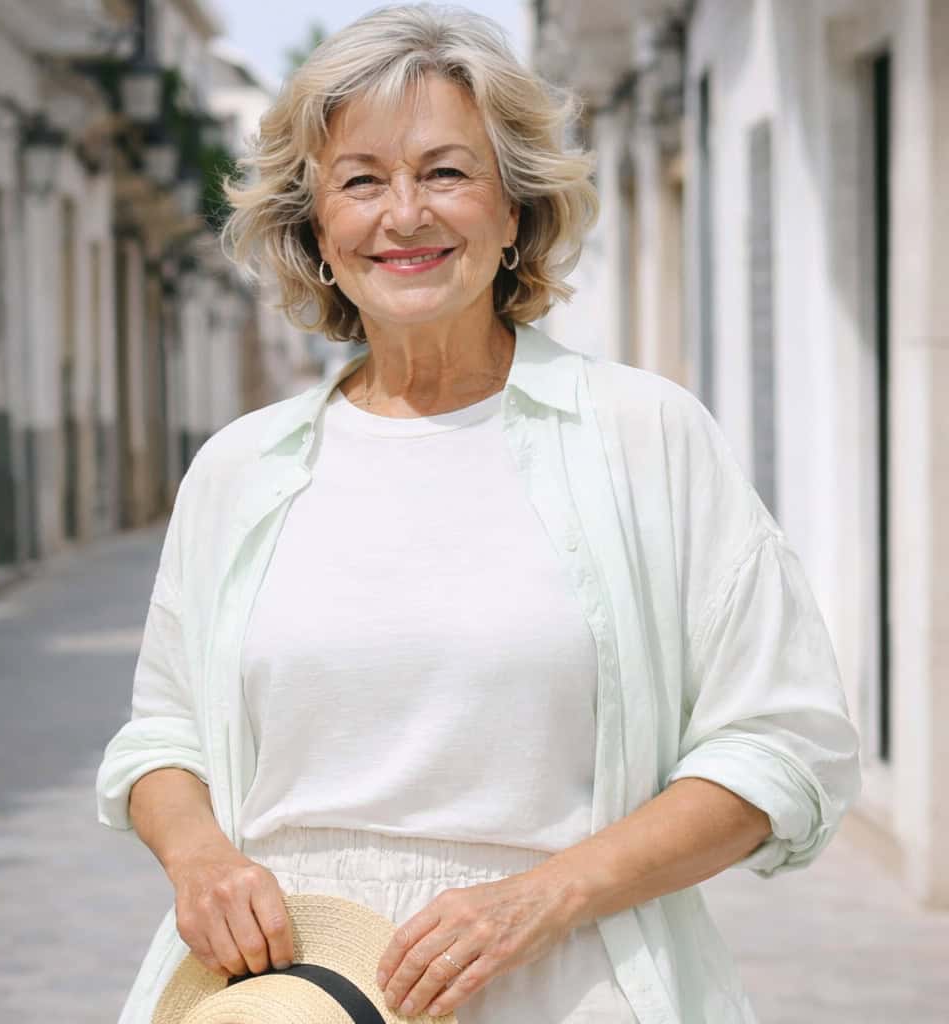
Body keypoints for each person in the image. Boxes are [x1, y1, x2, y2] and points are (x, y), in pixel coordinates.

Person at [95, 5, 862, 1023]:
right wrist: (198, 861)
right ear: (315, 227)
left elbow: (782, 742)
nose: (403, 214)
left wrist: (545, 896)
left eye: (446, 173)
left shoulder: (645, 436)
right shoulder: (239, 468)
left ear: (514, 211)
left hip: (565, 983)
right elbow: (163, 738)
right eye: (360, 180)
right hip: (286, 996)